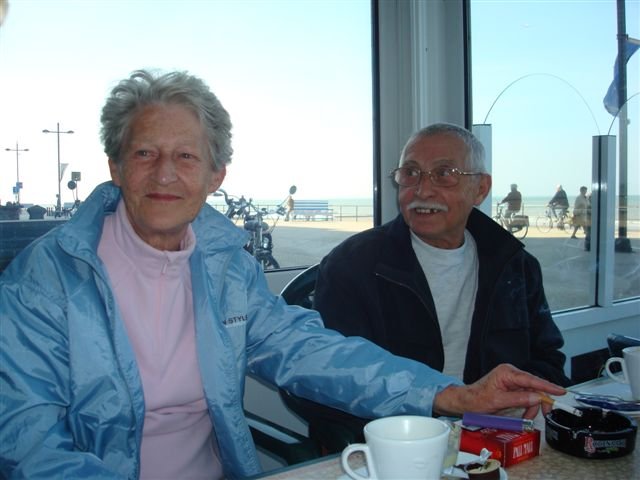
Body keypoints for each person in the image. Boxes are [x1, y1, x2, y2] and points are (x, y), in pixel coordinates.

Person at [0, 72, 565, 480]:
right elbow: (27, 441)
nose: (165, 174)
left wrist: (449, 394)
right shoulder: (44, 280)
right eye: (145, 153)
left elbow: (310, 351)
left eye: (187, 157)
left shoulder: (226, 267)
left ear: (216, 175)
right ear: (116, 168)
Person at [309, 123, 571, 449]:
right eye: (411, 173)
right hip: (394, 442)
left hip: (495, 436)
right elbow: (332, 379)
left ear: (480, 188)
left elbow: (548, 360)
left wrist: (518, 398)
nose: (422, 190)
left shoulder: (515, 266)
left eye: (444, 173)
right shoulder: (351, 266)